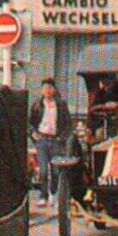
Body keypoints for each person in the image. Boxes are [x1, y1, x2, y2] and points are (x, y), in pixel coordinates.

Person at [29, 79, 70, 208]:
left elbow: (68, 124)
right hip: (42, 140)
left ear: (54, 89)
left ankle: (53, 193)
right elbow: (30, 123)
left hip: (55, 140)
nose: (47, 91)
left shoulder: (61, 104)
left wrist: (61, 138)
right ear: (42, 90)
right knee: (43, 170)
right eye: (45, 88)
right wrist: (33, 134)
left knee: (55, 170)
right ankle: (43, 196)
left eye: (50, 88)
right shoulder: (37, 104)